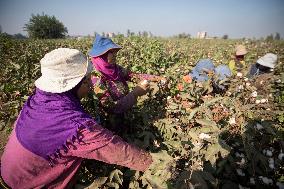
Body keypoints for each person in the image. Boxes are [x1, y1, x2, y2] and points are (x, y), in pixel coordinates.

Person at [0, 48, 160, 189]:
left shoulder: (39, 100)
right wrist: (161, 166)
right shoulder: (74, 127)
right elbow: (122, 152)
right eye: (87, 80)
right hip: (26, 184)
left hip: (11, 173)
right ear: (73, 85)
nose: (91, 84)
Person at [89, 34, 166, 132]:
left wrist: (156, 78)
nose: (115, 55)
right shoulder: (95, 79)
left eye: (115, 52)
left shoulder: (115, 69)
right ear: (101, 56)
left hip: (126, 117)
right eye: (111, 52)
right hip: (111, 127)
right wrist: (135, 93)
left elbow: (132, 75)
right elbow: (112, 109)